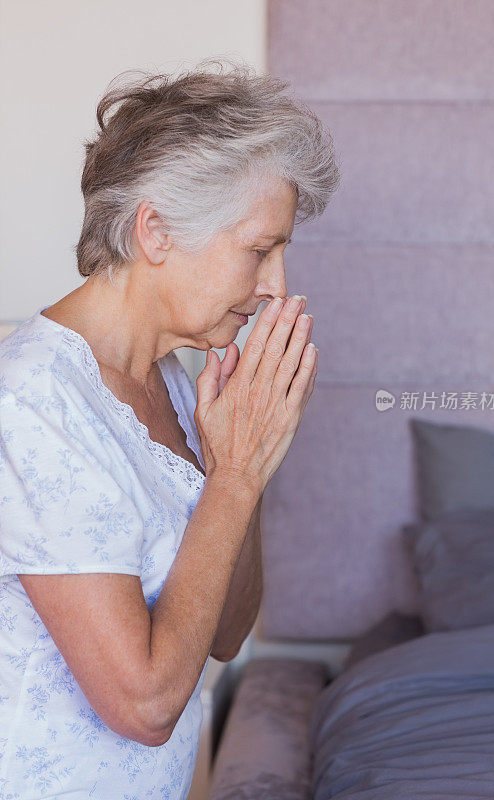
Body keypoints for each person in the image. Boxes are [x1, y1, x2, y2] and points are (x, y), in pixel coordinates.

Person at [0, 58, 340, 799]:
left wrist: (237, 470)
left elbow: (223, 633)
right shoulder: (31, 404)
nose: (276, 287)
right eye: (259, 249)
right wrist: (237, 474)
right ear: (154, 231)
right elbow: (145, 705)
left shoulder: (176, 386)